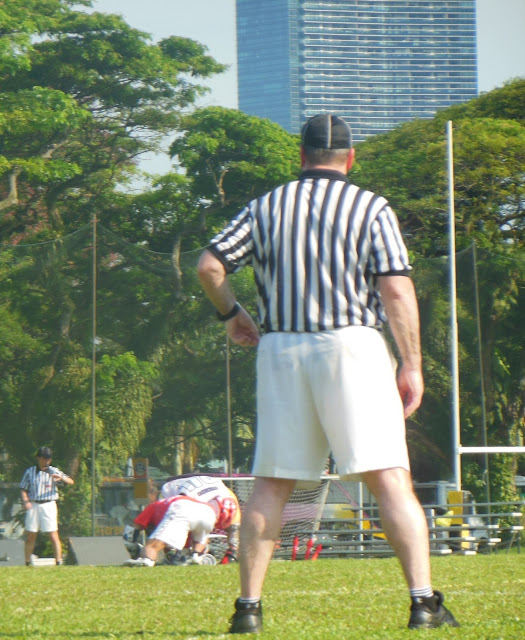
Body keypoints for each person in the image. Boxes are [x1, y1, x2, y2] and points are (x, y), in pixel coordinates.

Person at [197, 113, 459, 633]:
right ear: (350, 158)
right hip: (352, 346)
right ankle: (423, 603)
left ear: (301, 156)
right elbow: (396, 289)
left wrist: (233, 314)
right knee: (389, 477)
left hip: (282, 349)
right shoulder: (371, 206)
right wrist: (412, 362)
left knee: (271, 484)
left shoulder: (266, 206)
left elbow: (209, 265)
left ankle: (248, 609)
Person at [124, 488, 238, 567]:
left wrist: (135, 551)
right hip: (206, 513)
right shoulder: (208, 506)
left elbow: (130, 534)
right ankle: (196, 557)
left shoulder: (154, 507)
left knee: (151, 547)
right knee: (200, 539)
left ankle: (147, 560)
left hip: (180, 509)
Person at [161, 475, 241, 564]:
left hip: (202, 485)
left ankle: (194, 553)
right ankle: (171, 553)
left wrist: (232, 552)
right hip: (174, 488)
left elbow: (234, 530)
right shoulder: (190, 500)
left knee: (233, 528)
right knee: (169, 526)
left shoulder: (230, 498)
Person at [20, 446, 74, 566]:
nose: (46, 461)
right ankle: (27, 562)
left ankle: (58, 561)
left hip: (49, 504)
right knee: (31, 535)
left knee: (53, 533)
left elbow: (71, 481)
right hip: (34, 505)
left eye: (48, 458)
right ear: (38, 458)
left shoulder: (54, 470)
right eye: (44, 458)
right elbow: (23, 488)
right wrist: (26, 501)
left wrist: (61, 478)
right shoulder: (30, 471)